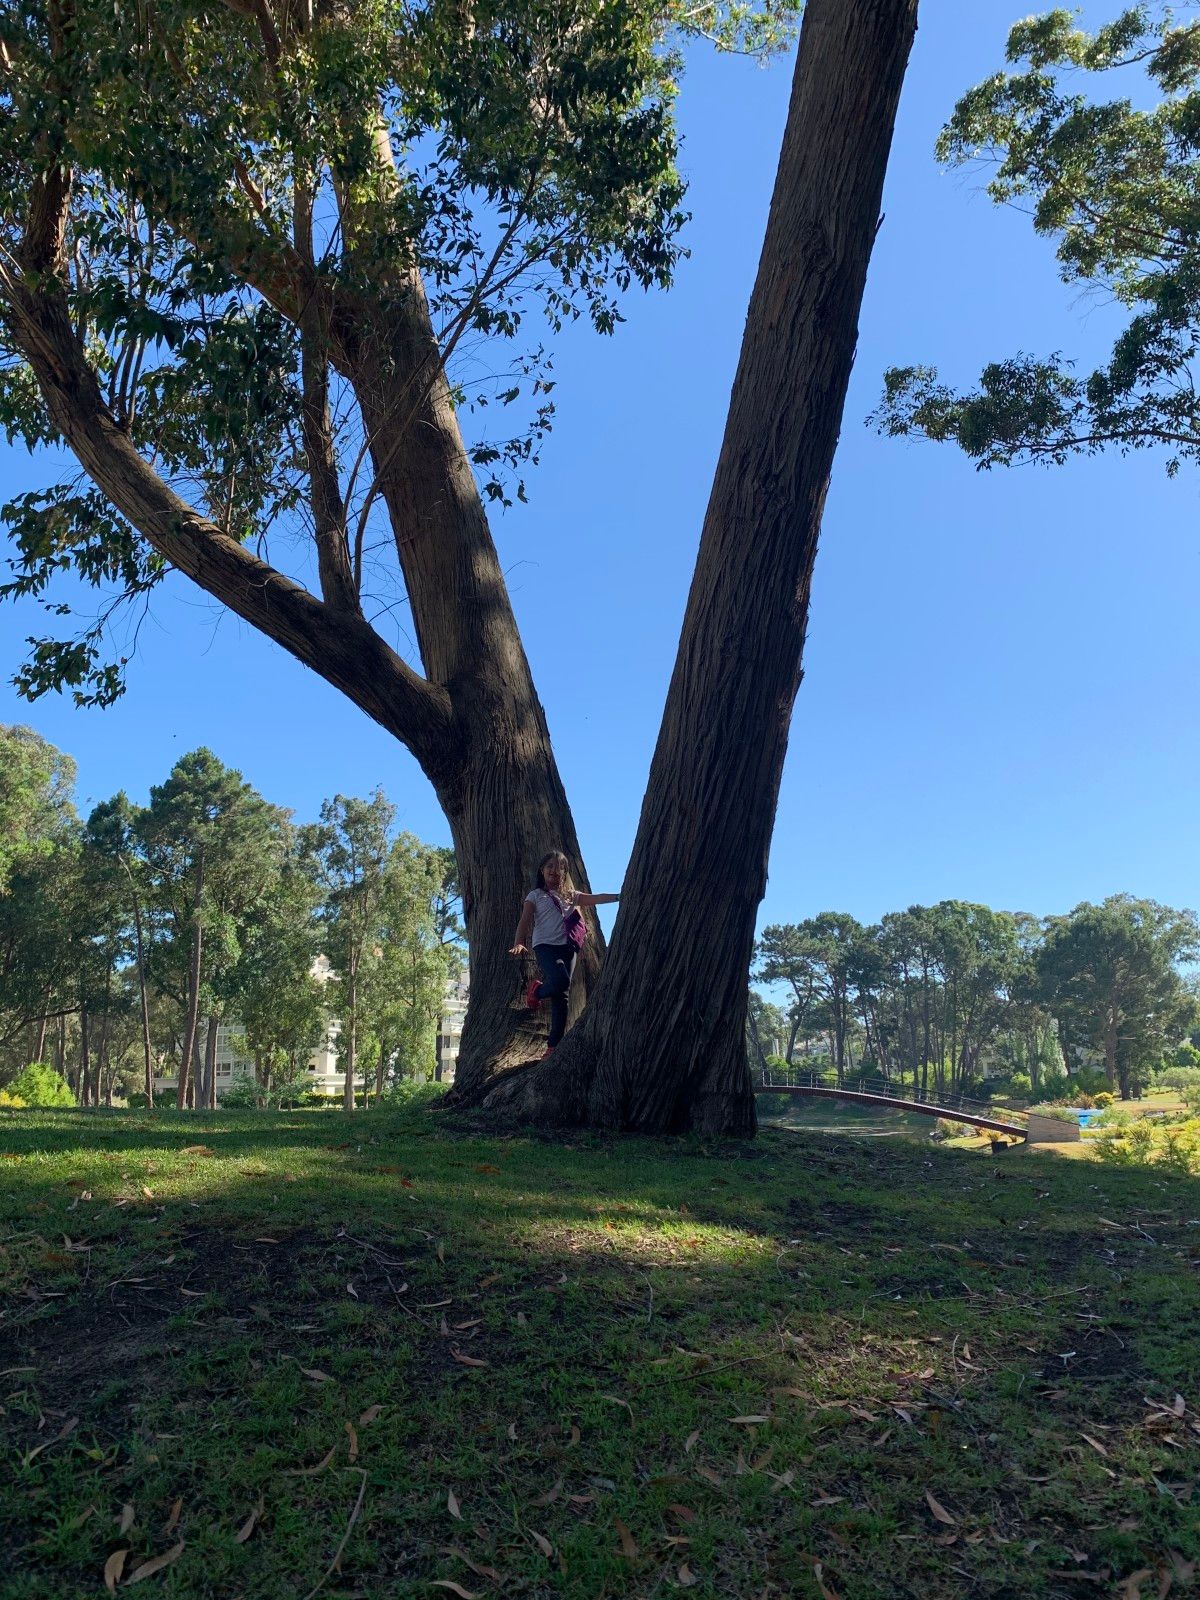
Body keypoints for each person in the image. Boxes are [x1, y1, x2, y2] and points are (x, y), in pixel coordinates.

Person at [509, 851, 620, 1059]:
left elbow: (595, 898)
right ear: (542, 870)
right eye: (550, 866)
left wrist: (619, 896)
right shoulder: (535, 895)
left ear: (565, 872)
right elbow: (525, 920)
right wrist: (519, 941)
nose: (555, 871)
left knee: (563, 995)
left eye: (560, 867)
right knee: (560, 981)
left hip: (569, 947)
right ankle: (537, 991)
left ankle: (553, 1046)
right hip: (545, 946)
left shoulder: (571, 895)